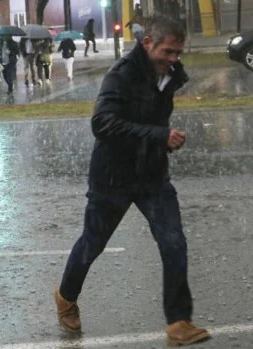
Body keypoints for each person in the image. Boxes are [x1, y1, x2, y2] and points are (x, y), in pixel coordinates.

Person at [53, 16, 210, 346]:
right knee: (92, 244)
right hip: (112, 177)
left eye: (178, 53)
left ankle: (179, 322)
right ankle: (66, 296)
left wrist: (159, 139)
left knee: (174, 242)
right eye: (168, 51)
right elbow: (103, 124)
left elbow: (151, 114)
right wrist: (159, 136)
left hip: (152, 175)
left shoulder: (168, 75)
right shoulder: (121, 75)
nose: (174, 59)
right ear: (147, 43)